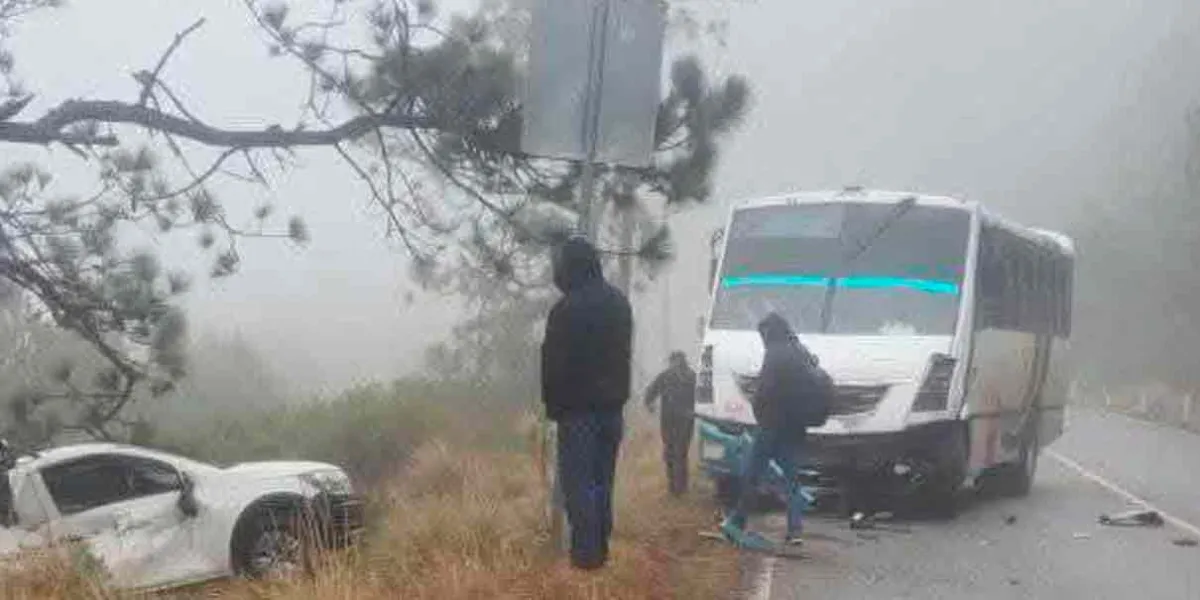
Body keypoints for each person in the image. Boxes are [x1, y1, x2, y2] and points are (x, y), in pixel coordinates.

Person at [541, 236, 634, 570]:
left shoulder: (565, 310)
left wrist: (553, 409)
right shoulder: (619, 303)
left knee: (577, 484)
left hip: (578, 413)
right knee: (601, 482)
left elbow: (553, 365)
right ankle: (601, 547)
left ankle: (586, 558)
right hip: (613, 412)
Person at [720, 312, 816, 548]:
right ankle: (795, 531)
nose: (762, 339)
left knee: (752, 475)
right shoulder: (801, 351)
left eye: (763, 334)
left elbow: (764, 390)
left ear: (769, 333)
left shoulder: (775, 354)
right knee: (792, 480)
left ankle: (737, 521)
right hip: (795, 427)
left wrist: (759, 413)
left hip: (771, 426)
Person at [643, 351, 697, 497]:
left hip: (685, 420)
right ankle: (672, 485)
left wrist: (696, 411)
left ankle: (681, 487)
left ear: (683, 362)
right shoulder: (665, 376)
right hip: (668, 420)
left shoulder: (691, 377)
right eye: (672, 361)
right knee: (669, 452)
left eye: (677, 361)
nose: (674, 364)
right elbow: (651, 391)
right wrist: (649, 403)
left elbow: (701, 398)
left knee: (680, 452)